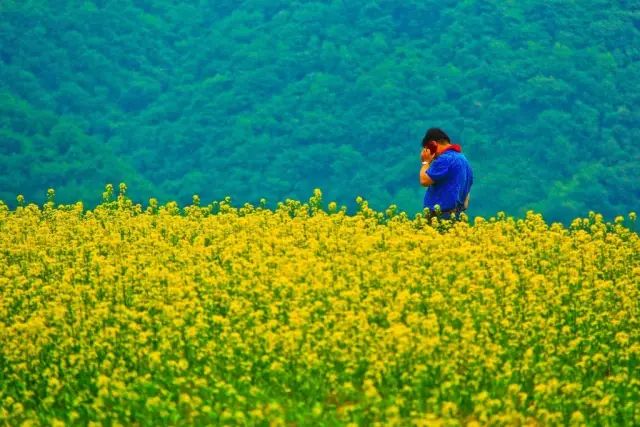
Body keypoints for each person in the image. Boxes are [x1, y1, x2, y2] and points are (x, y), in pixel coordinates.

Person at [419, 128, 473, 220]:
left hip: (440, 216)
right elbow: (467, 192)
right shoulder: (463, 159)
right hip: (457, 215)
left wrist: (425, 162)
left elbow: (424, 181)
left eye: (427, 149)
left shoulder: (445, 159)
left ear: (433, 144)